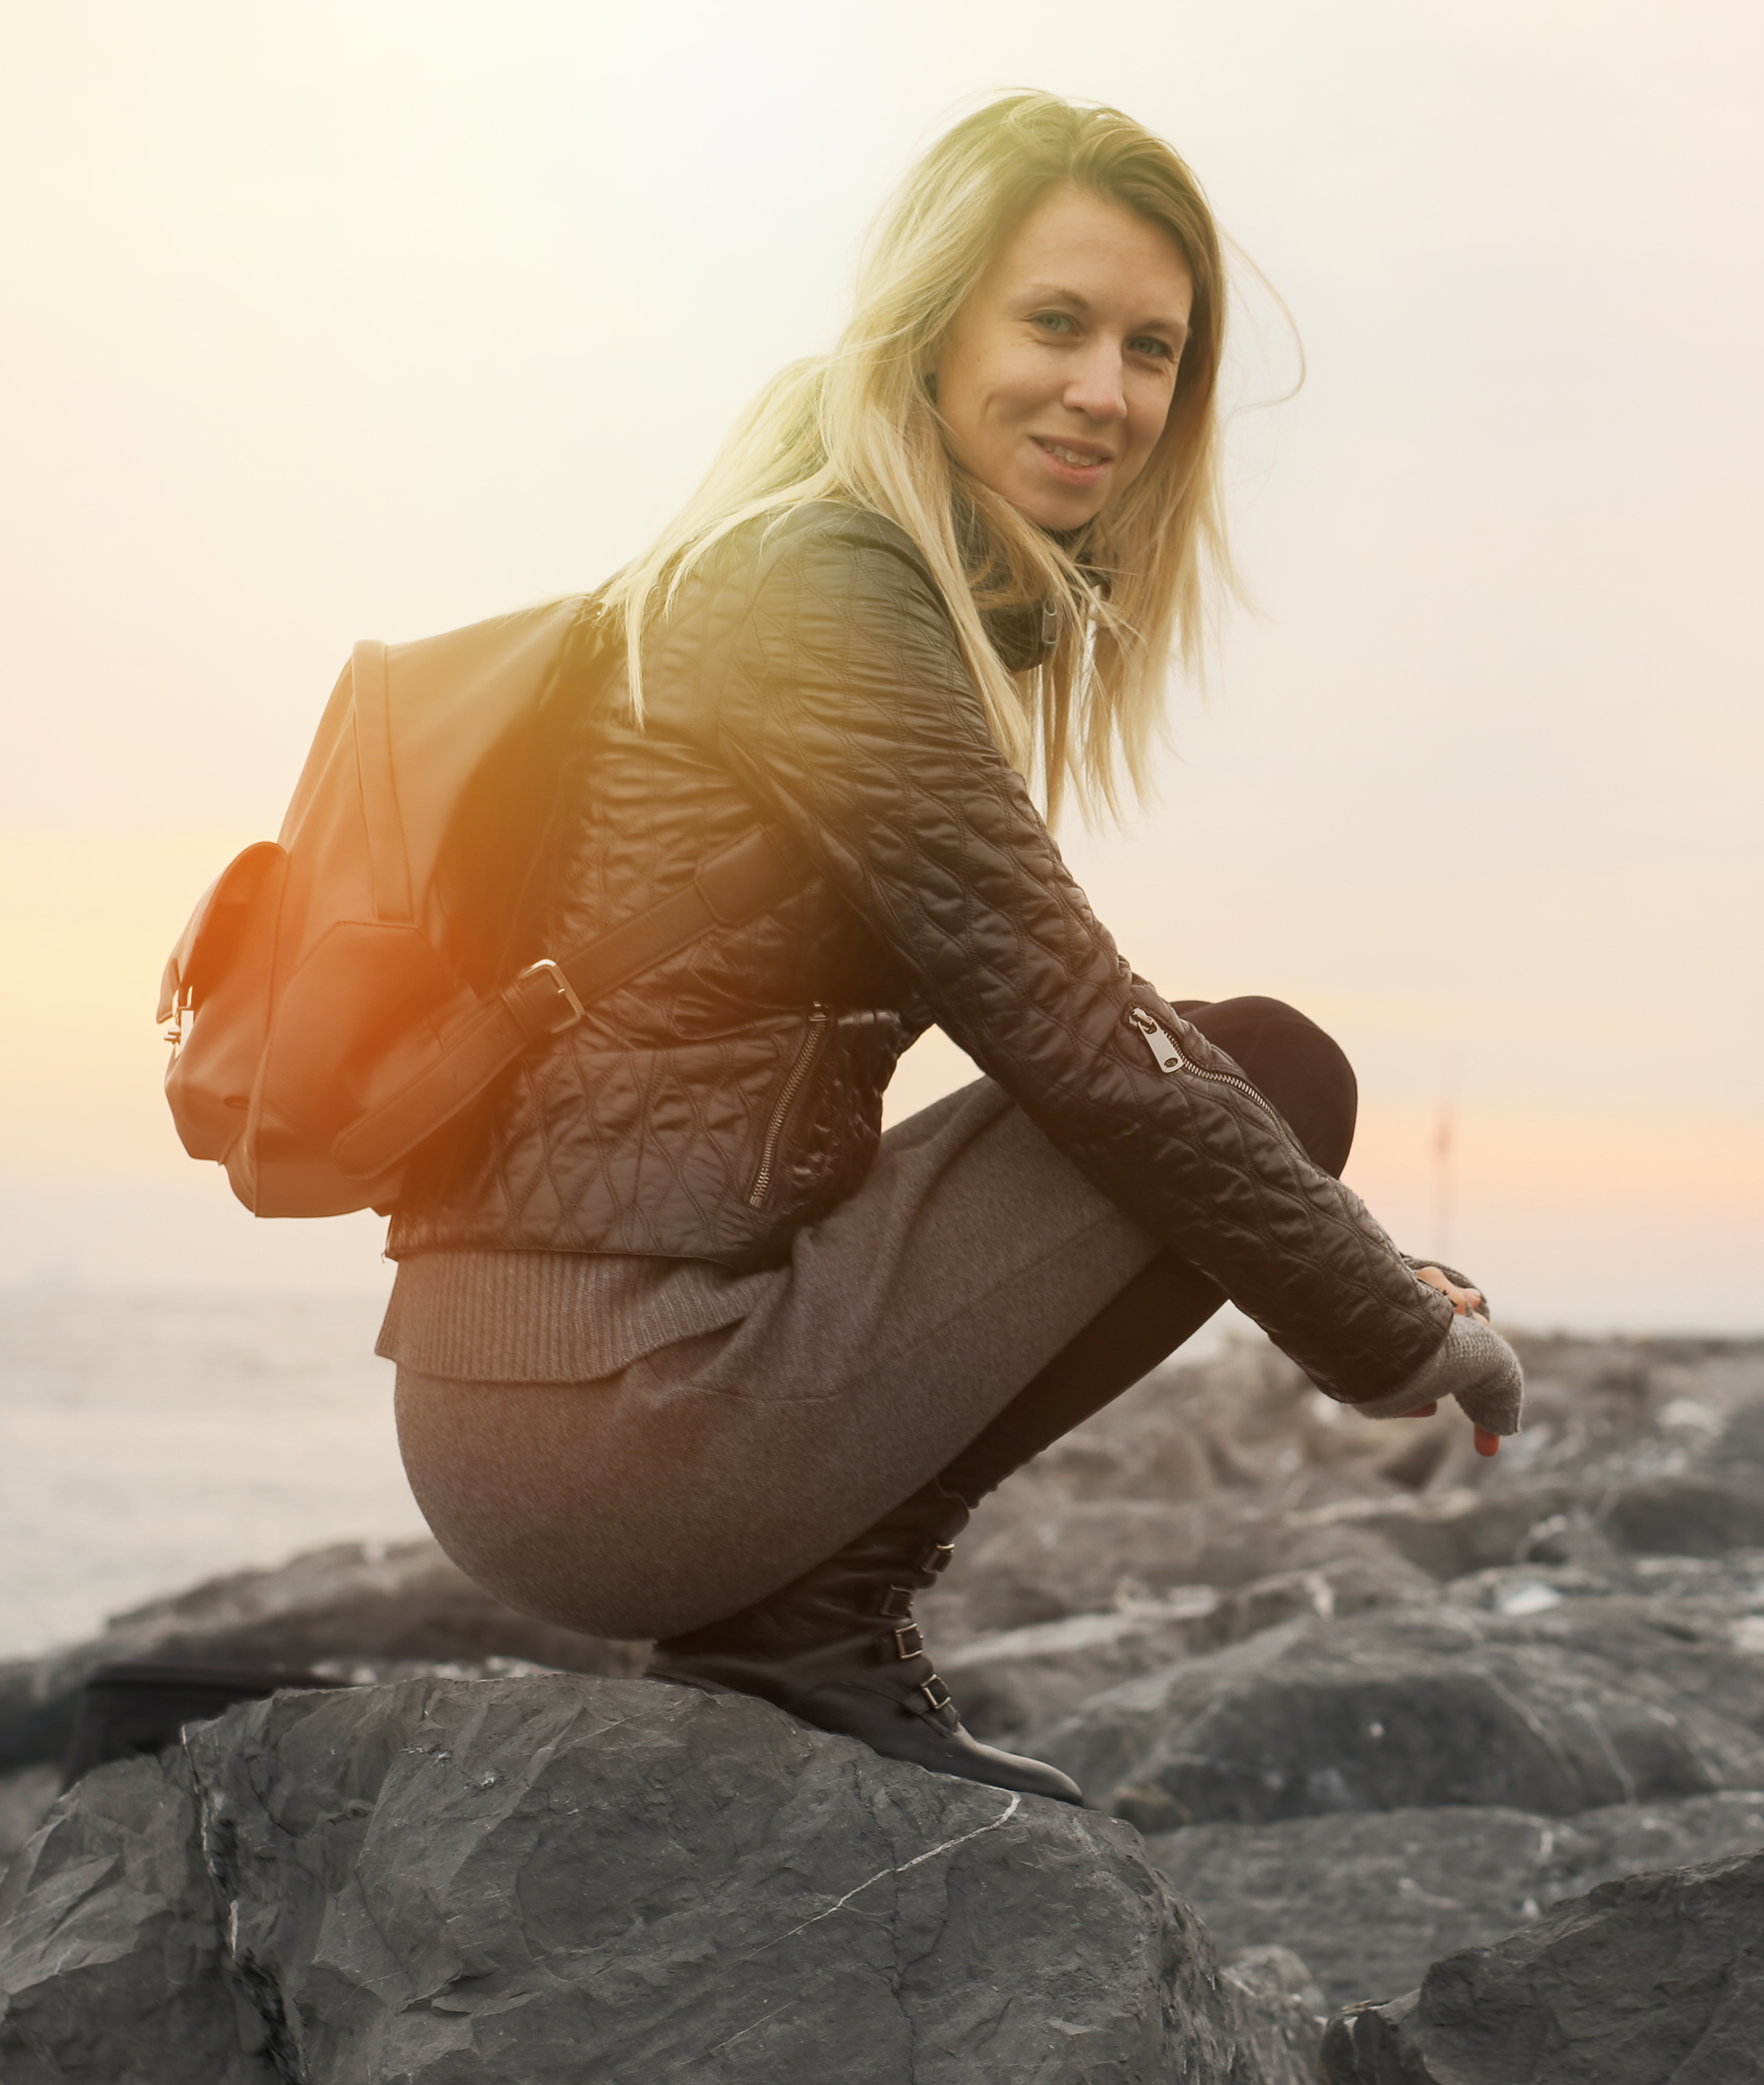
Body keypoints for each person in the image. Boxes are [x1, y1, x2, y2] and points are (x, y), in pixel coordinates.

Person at [372, 93, 1523, 1807]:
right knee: (1267, 1074)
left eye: (1152, 351)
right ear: (932, 327)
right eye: (1055, 324)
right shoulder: (818, 590)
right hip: (601, 1420)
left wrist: (1342, 1268)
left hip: (561, 1389)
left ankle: (795, 1617)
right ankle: (809, 1626)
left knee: (1228, 1076)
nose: (1107, 393)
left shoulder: (801, 562)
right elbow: (1070, 1026)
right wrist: (1387, 1328)